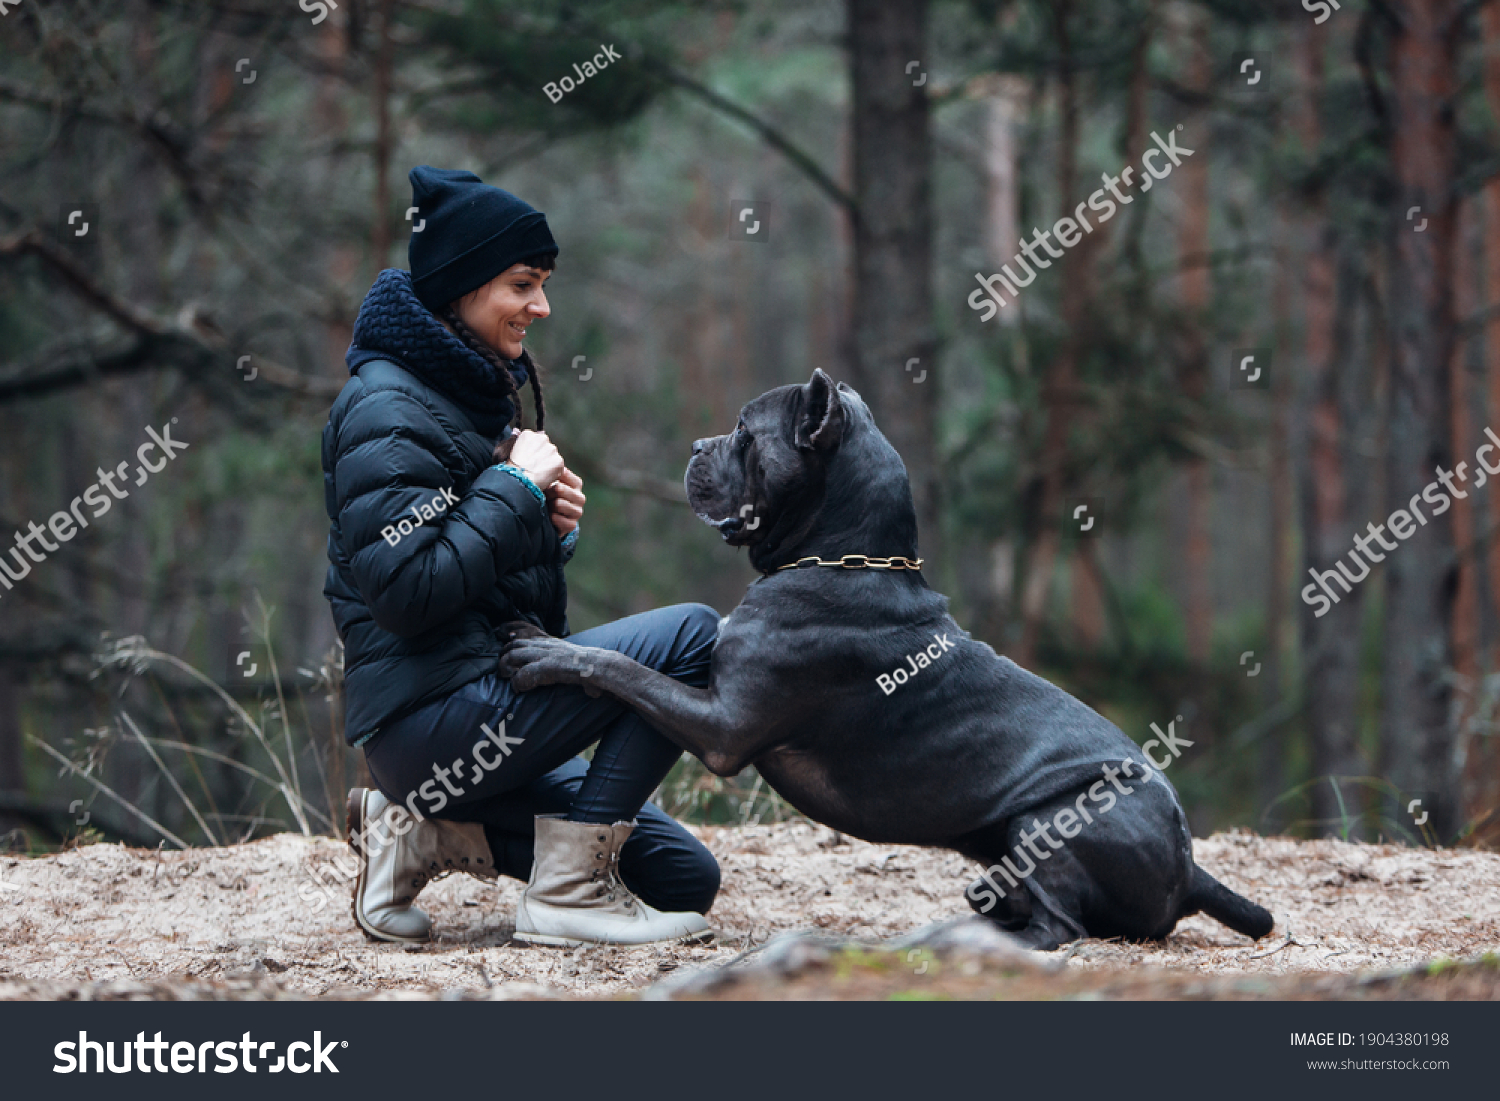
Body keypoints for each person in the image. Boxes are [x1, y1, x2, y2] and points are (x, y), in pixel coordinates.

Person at [321, 166, 721, 947]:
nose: (540, 306)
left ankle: (422, 832)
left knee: (681, 876)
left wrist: (546, 527)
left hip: (467, 712)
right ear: (462, 287)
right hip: (430, 719)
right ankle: (568, 893)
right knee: (694, 637)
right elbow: (407, 592)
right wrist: (511, 489)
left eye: (540, 284)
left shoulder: (460, 393)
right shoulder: (383, 407)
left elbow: (473, 572)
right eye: (522, 284)